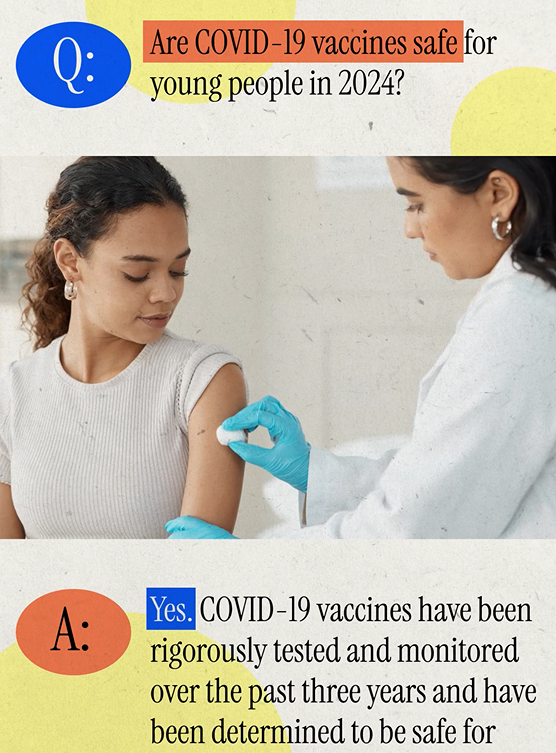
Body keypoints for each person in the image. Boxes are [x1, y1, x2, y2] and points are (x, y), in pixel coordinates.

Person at [170, 156, 556, 539]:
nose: (409, 228)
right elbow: (440, 481)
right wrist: (314, 473)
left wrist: (252, 567)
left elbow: (414, 527)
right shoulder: (527, 298)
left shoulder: (522, 311)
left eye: (417, 204)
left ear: (499, 193)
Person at [0, 156, 246, 538]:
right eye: (138, 274)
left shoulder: (202, 381)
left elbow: (192, 573)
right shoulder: (13, 393)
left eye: (178, 270)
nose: (166, 293)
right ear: (70, 262)